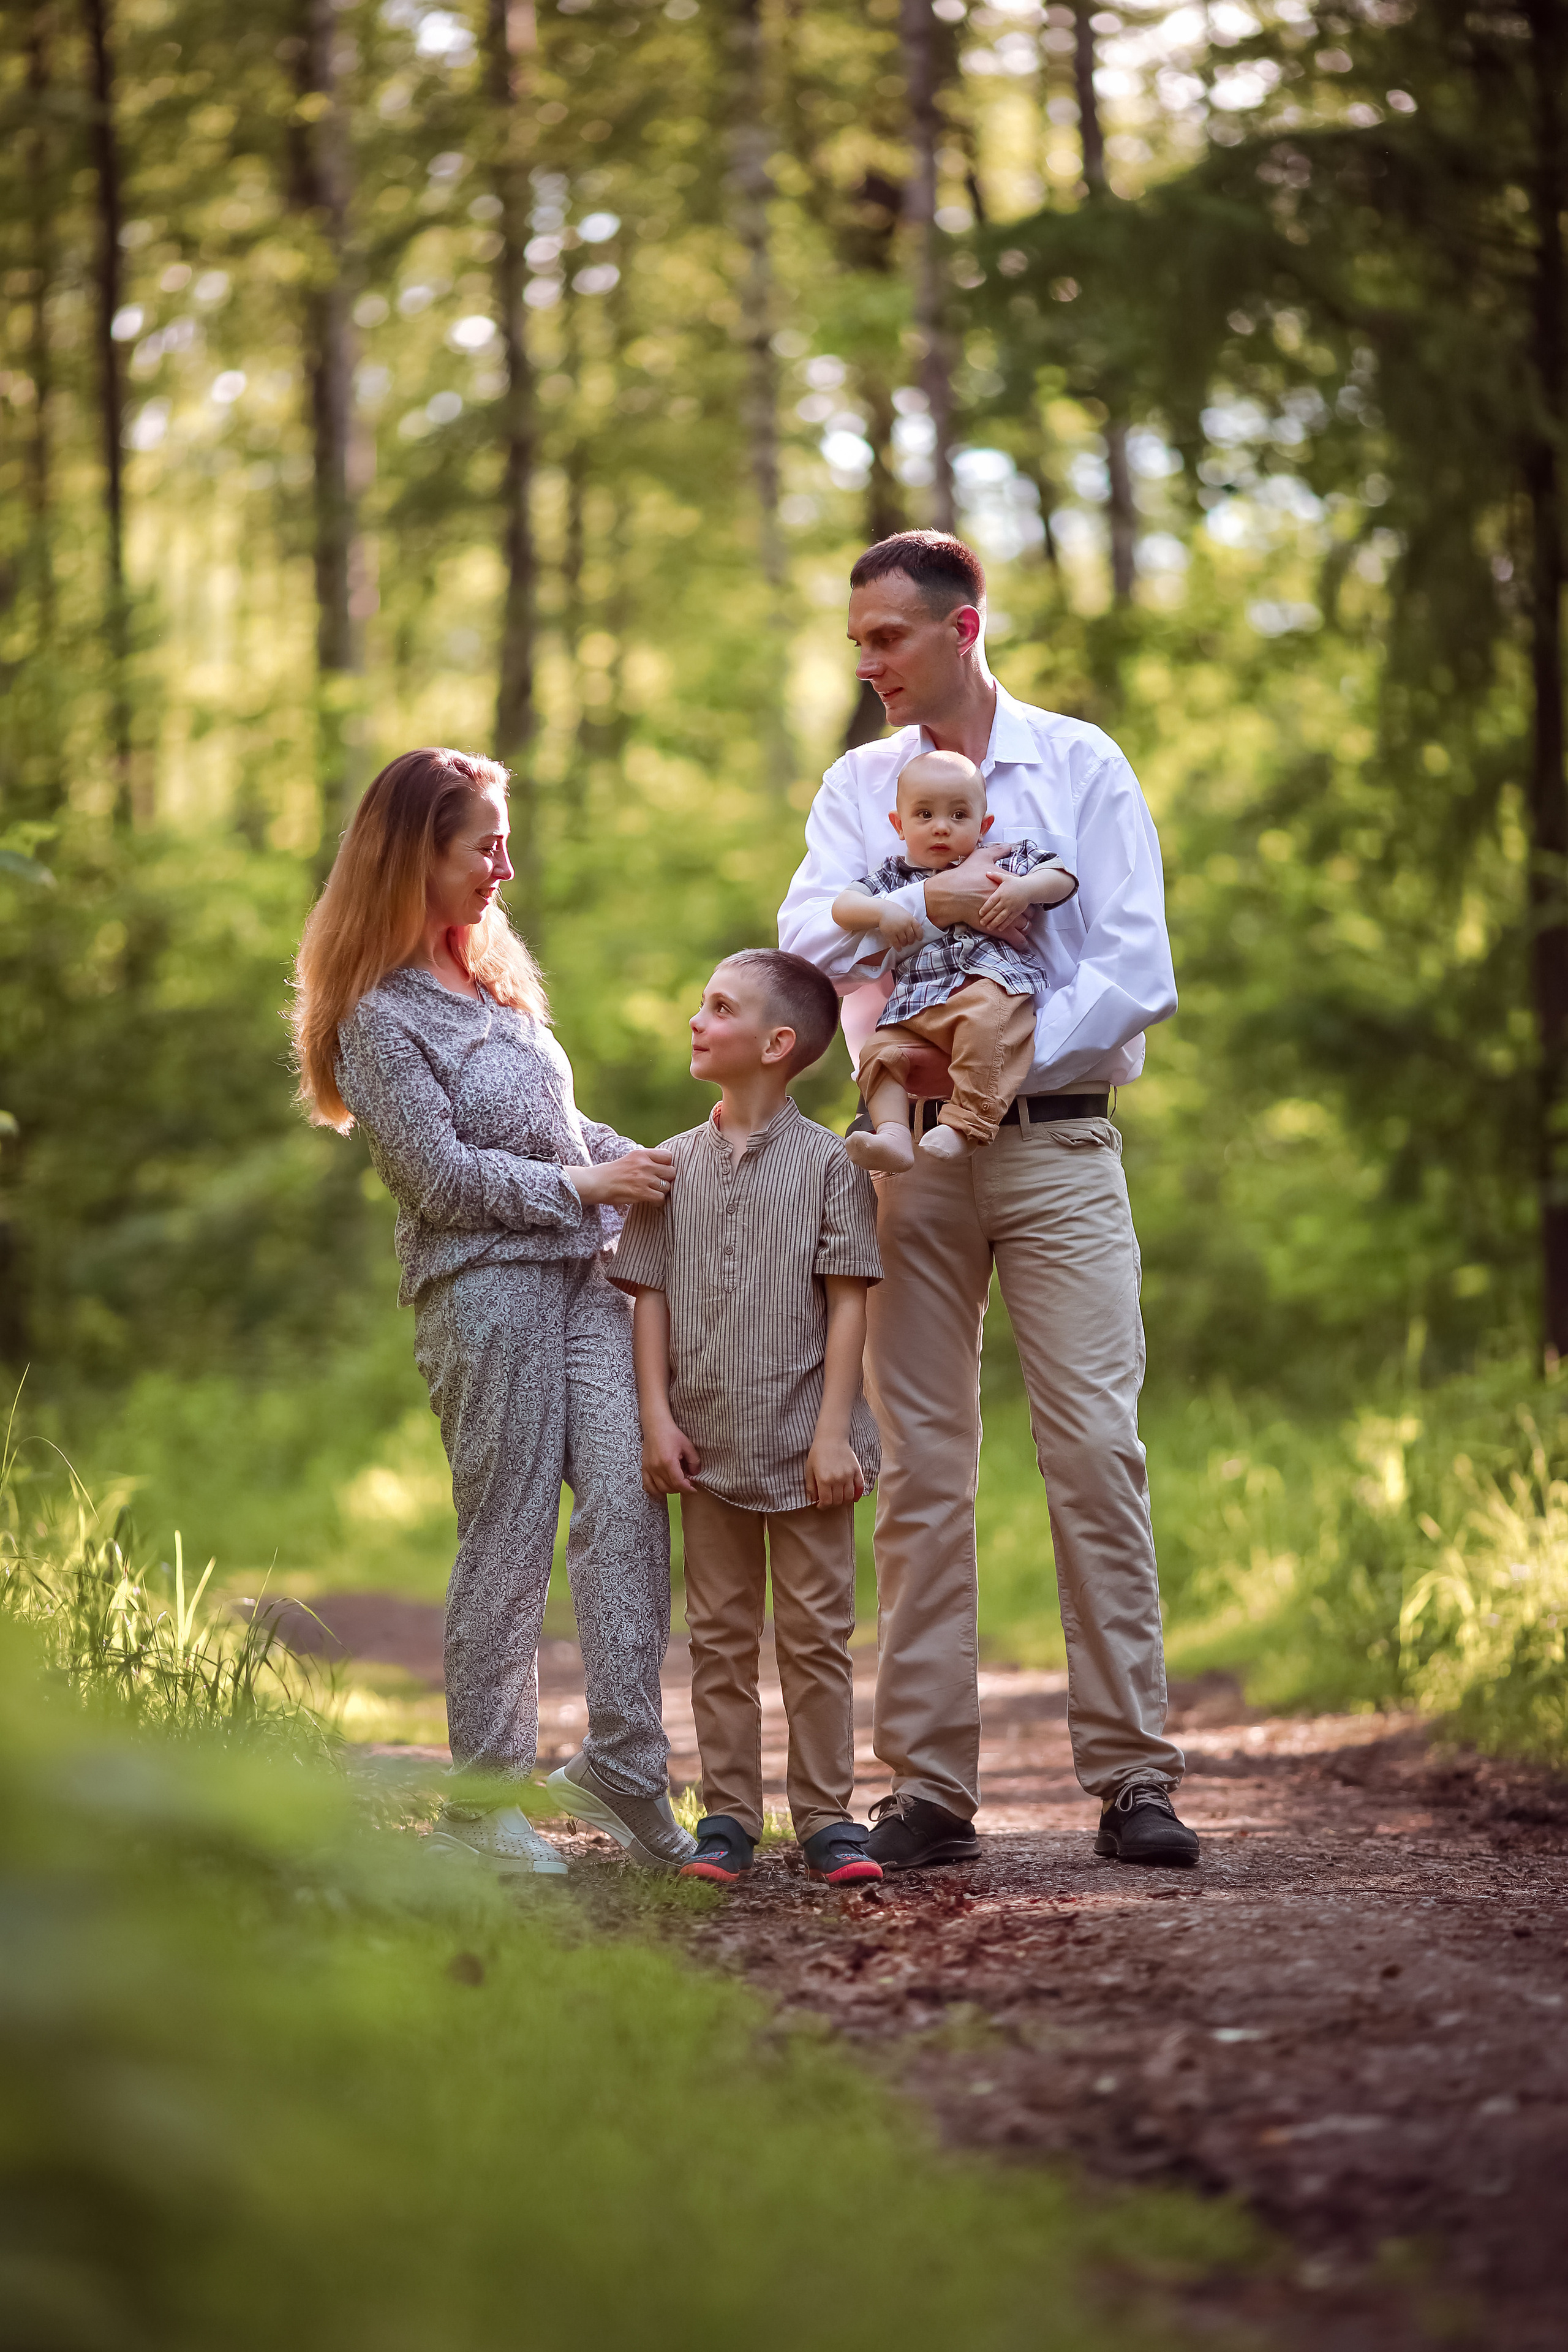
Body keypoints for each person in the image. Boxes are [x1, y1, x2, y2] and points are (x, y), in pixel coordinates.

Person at [779, 530, 1200, 1873]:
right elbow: (803, 936)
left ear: (961, 630)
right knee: (916, 1470)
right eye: (855, 641)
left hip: (1057, 1145)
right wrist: (921, 917)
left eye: (885, 637)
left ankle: (1131, 1774)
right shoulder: (859, 783)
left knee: (1091, 1449)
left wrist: (989, 1047)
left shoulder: (1078, 766)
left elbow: (1132, 967)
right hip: (904, 1156)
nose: (867, 662)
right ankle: (927, 1790)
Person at [292, 746, 696, 1878]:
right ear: (414, 853)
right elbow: (442, 1180)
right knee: (509, 1539)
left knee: (626, 1507)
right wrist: (587, 1188)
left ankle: (624, 1764)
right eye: (485, 846)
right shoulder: (378, 1016)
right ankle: (481, 1805)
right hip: (483, 1292)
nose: (504, 869)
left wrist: (664, 1163)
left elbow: (565, 1143)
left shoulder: (500, 985)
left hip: (587, 1281)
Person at [609, 950, 886, 1889]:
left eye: (717, 1008)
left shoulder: (830, 1167)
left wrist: (835, 1431)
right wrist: (655, 1418)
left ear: (776, 1045)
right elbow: (646, 1296)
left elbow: (849, 1303)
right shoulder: (667, 1167)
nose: (696, 1019)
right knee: (720, 1636)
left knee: (816, 1637)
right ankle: (727, 1816)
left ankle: (828, 1819)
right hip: (707, 1446)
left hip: (811, 1446)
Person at [830, 746, 1076, 1172]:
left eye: (958, 816)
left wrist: (1025, 889)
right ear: (899, 825)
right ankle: (892, 1133)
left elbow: (1060, 877)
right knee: (879, 1051)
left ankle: (966, 1124)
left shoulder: (1000, 858)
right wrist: (883, 911)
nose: (941, 827)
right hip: (916, 1002)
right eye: (924, 815)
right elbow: (843, 907)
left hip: (987, 986)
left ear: (983, 825)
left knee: (989, 1030)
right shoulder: (893, 876)